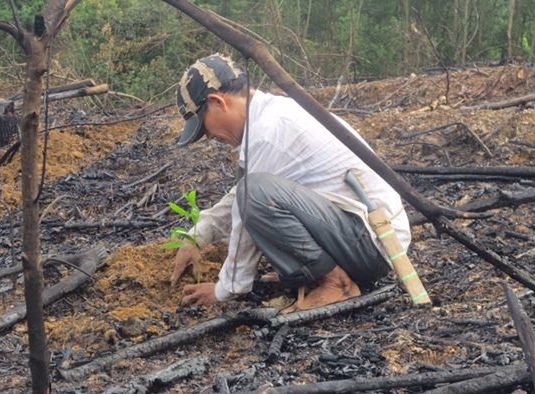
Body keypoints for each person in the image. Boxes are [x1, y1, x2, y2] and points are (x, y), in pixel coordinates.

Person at [170, 54, 411, 313]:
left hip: (373, 245)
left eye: (203, 128)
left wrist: (224, 290)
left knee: (257, 194)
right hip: (362, 237)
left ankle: (337, 284)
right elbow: (241, 193)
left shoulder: (269, 131)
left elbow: (248, 202)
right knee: (255, 190)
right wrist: (197, 237)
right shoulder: (270, 116)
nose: (208, 137)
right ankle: (318, 274)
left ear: (217, 102)